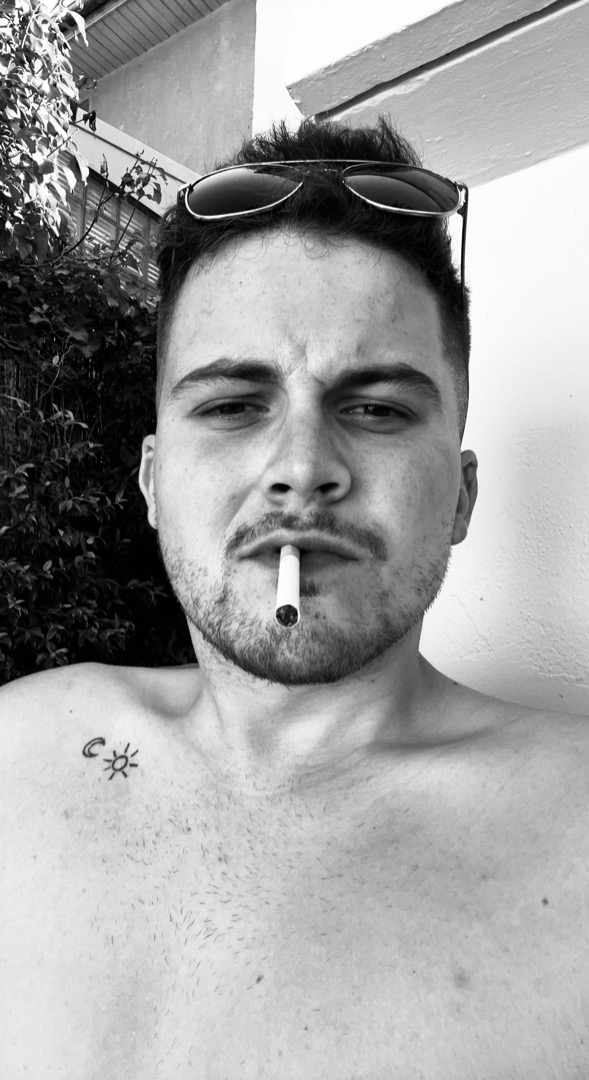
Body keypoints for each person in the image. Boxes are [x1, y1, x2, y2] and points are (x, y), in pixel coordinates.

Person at [1, 116, 587, 1079]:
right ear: (151, 483)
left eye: (377, 409)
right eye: (233, 406)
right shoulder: (16, 756)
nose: (303, 468)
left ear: (459, 497)